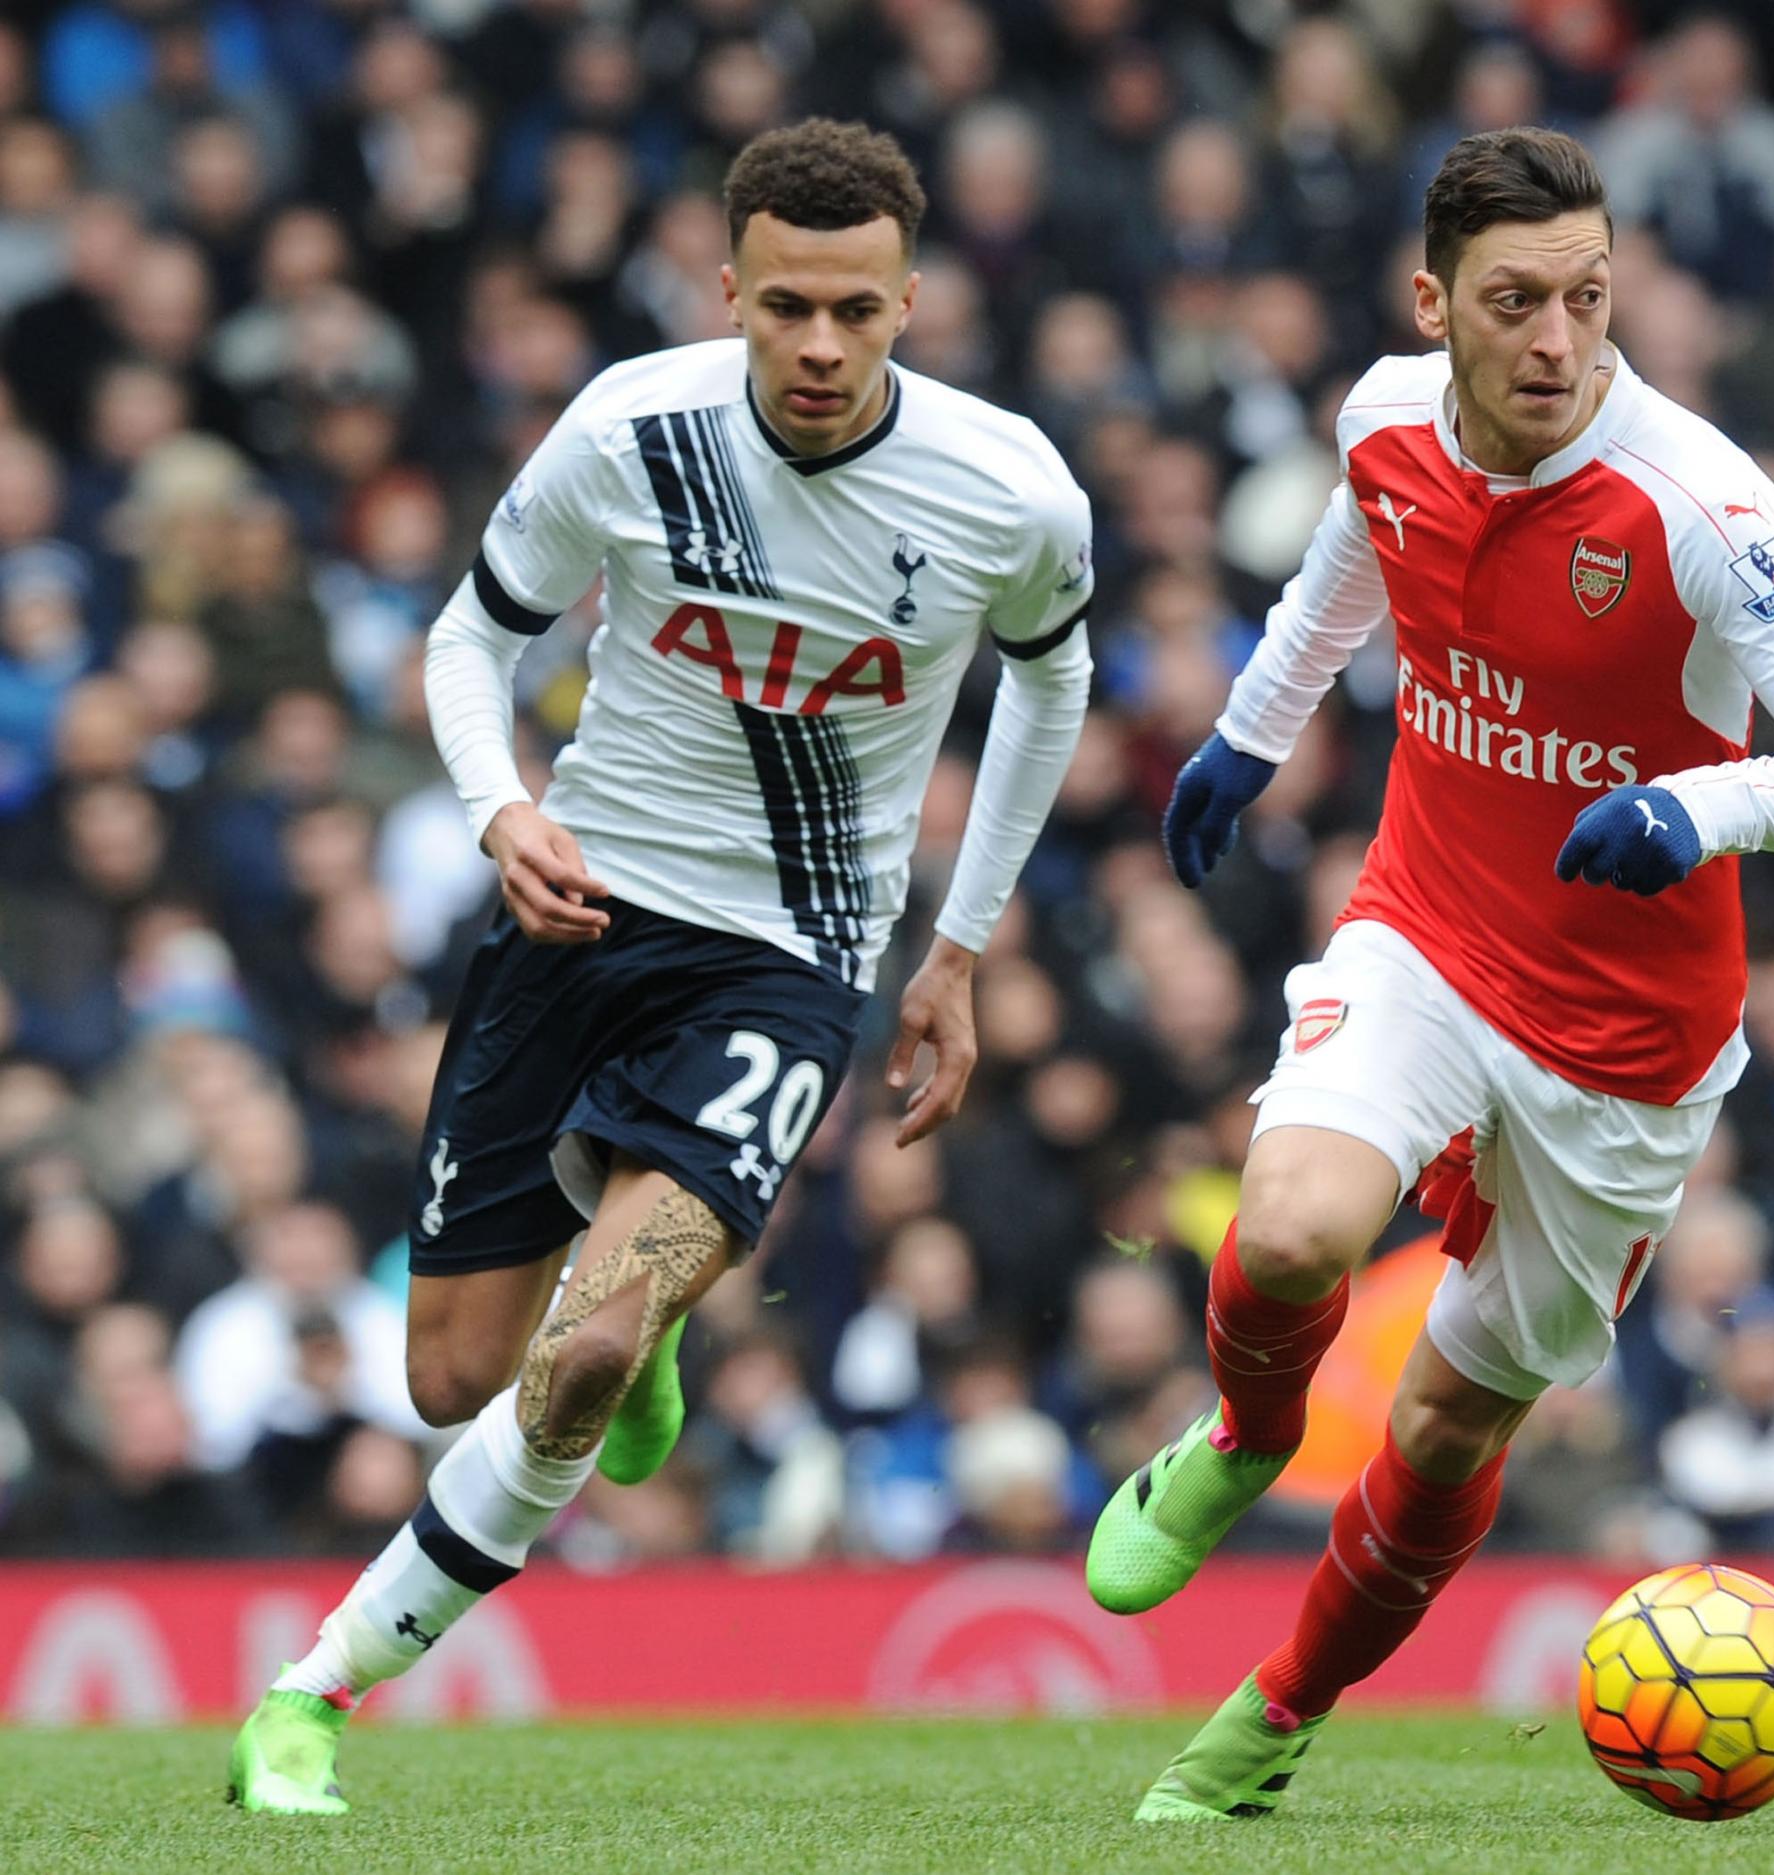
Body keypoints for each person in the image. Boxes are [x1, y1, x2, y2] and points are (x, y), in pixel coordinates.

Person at [227, 117, 1096, 1814]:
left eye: (858, 307)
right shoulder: (634, 428)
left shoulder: (1010, 492)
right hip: (579, 915)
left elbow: (1048, 687)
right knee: (452, 1379)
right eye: (788, 307)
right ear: (731, 293)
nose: (824, 345)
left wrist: (960, 945)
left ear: (914, 299)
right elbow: (474, 636)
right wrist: (498, 813)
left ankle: (310, 1693)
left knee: (591, 1355)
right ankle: (652, 1295)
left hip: (791, 957)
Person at [1088, 126, 1774, 1821]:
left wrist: (1699, 803)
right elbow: (1350, 563)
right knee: (1290, 1233)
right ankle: (1244, 1439)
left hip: (1628, 1050)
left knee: (1453, 1427)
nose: (1560, 342)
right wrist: (1253, 734)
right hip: (1432, 929)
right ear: (1436, 303)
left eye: (1591, 299)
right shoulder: (1382, 418)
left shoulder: (1699, 502)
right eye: (1518, 301)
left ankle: (1276, 1714)